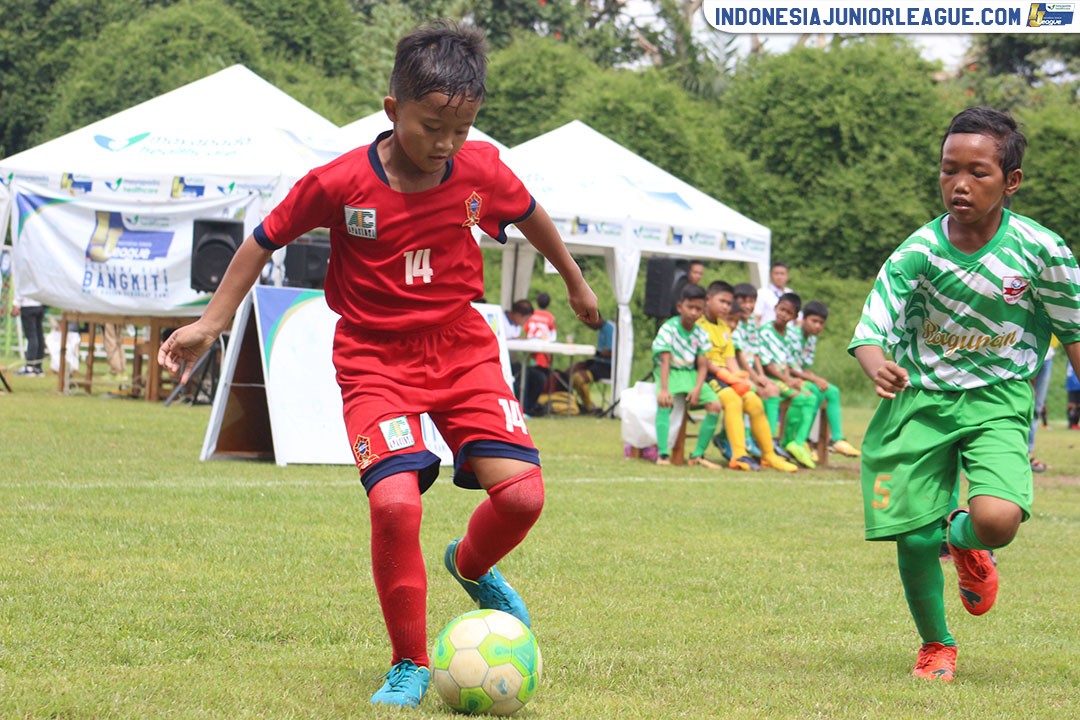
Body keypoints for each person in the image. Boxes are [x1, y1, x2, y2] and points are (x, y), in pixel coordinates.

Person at [158, 21, 599, 708]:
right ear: (392, 110)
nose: (446, 145)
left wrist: (574, 280)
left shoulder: (481, 170)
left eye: (461, 129)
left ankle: (472, 564)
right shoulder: (337, 183)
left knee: (523, 497)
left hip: (461, 347)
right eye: (431, 128)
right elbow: (260, 241)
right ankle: (410, 663)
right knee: (394, 505)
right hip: (373, 359)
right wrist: (211, 324)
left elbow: (532, 215)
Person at [849, 107, 1080, 683]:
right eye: (949, 170)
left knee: (998, 519)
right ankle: (936, 644)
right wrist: (878, 366)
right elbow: (870, 330)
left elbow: (1074, 329)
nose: (959, 184)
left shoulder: (1042, 252)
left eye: (978, 172)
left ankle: (968, 541)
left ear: (1012, 181)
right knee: (913, 534)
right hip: (919, 399)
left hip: (999, 399)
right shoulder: (917, 253)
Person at [698, 281, 798, 473]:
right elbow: (703, 361)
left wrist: (739, 378)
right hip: (707, 376)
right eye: (723, 302)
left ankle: (769, 455)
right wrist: (729, 377)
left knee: (753, 401)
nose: (726, 307)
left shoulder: (724, 327)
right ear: (708, 300)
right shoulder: (699, 324)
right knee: (733, 400)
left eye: (728, 304)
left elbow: (730, 360)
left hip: (725, 376)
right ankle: (739, 454)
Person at [652, 283, 722, 468]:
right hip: (670, 372)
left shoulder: (700, 333)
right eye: (690, 307)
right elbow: (665, 361)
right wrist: (664, 389)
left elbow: (702, 365)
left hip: (690, 374)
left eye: (698, 309)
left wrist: (698, 388)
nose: (693, 312)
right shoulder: (669, 328)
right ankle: (663, 454)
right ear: (680, 307)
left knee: (715, 405)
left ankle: (697, 454)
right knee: (665, 403)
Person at [788, 300, 860, 458]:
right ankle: (804, 441)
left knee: (832, 390)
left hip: (801, 377)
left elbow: (804, 366)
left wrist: (816, 378)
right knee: (816, 391)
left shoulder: (811, 339)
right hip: (787, 378)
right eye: (814, 321)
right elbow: (790, 368)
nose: (817, 326)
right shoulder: (792, 334)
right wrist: (814, 380)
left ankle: (838, 439)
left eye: (821, 323)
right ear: (804, 319)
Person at [730, 282, 792, 462]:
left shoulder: (751, 322)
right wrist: (756, 377)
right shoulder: (734, 321)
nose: (748, 305)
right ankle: (751, 439)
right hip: (739, 373)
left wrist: (761, 376)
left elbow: (754, 351)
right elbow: (740, 354)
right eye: (743, 300)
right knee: (761, 391)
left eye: (752, 301)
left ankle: (768, 441)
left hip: (751, 372)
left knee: (771, 389)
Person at [757, 292, 820, 468]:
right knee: (799, 396)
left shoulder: (787, 335)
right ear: (775, 308)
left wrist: (791, 379)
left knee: (809, 396)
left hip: (783, 379)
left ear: (794, 317)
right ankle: (771, 444)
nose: (783, 314)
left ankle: (795, 442)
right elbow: (768, 365)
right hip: (771, 379)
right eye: (781, 310)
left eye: (788, 313)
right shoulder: (765, 332)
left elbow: (785, 362)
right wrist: (788, 380)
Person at [570, 313, 614, 414]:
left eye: (588, 323)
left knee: (579, 378)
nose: (589, 327)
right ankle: (578, 403)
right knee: (572, 370)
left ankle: (589, 408)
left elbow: (611, 353)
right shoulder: (602, 329)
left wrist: (596, 352)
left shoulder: (610, 329)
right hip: (599, 362)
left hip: (607, 366)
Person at [1026, 336, 1056, 472]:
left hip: (1048, 354)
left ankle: (1028, 453)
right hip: (1028, 351)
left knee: (1036, 408)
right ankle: (1022, 454)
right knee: (1027, 405)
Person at [11, 293, 46, 375]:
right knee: (39, 336)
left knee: (32, 337)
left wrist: (16, 304)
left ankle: (30, 367)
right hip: (39, 304)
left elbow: (21, 289)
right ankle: (38, 367)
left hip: (27, 306)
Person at [753, 261, 795, 325]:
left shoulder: (792, 294)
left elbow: (798, 319)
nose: (779, 277)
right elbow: (756, 317)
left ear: (787, 276)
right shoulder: (762, 293)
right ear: (770, 275)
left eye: (782, 274)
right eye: (776, 273)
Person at [524, 291, 556, 370]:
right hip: (543, 349)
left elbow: (526, 329)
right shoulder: (549, 317)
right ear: (548, 304)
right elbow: (553, 336)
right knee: (542, 370)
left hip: (529, 346)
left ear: (537, 302)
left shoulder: (530, 314)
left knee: (529, 368)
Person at [1068, 361, 1080, 430]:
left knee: (1072, 404)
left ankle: (1072, 423)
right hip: (1076, 383)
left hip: (1070, 384)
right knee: (1076, 404)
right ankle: (1073, 423)